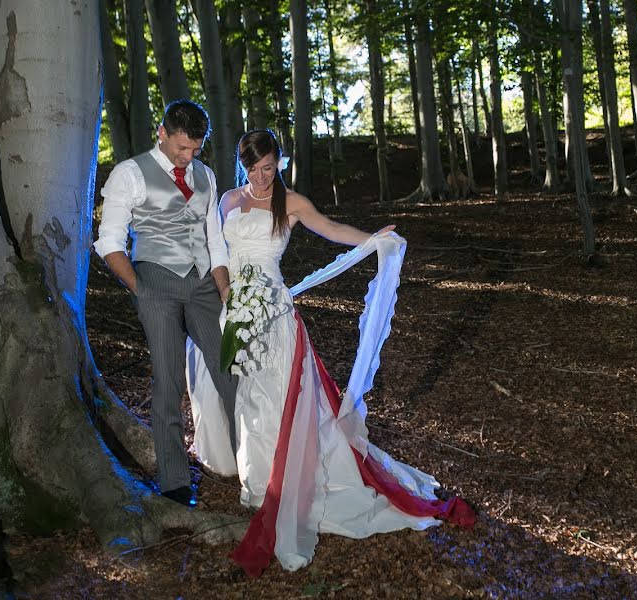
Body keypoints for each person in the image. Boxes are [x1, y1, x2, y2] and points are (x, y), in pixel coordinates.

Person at [187, 129, 474, 577]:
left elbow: (331, 229)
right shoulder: (226, 200)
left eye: (270, 168)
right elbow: (217, 252)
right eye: (254, 169)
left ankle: (282, 485)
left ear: (279, 163)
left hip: (274, 312)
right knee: (246, 399)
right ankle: (257, 480)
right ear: (243, 166)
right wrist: (227, 296)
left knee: (278, 397)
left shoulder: (292, 202)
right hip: (236, 310)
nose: (262, 178)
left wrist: (372, 238)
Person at [93, 100, 239, 506]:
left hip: (204, 283)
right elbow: (109, 241)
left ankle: (253, 466)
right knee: (169, 380)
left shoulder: (205, 175)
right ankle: (175, 482)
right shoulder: (130, 173)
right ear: (162, 132)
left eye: (195, 149)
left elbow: (214, 239)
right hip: (155, 279)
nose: (188, 156)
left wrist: (225, 292)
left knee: (231, 369)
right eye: (182, 148)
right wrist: (141, 288)